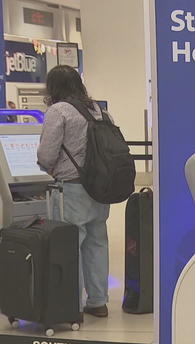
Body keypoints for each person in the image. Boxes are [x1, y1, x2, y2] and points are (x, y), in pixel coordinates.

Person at [37, 65, 111, 318]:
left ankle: (71, 304)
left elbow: (47, 154)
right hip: (100, 187)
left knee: (70, 245)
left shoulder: (58, 111)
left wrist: (47, 167)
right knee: (97, 242)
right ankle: (98, 301)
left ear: (53, 87)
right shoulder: (98, 111)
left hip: (71, 188)